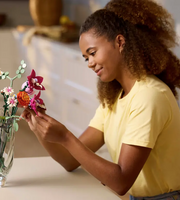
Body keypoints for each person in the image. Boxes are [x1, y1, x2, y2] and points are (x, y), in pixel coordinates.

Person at [21, 0, 180, 199]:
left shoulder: (150, 97)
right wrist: (40, 127)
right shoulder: (115, 99)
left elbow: (121, 181)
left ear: (120, 43)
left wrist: (66, 137)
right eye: (86, 58)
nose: (89, 63)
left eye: (92, 53)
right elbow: (70, 160)